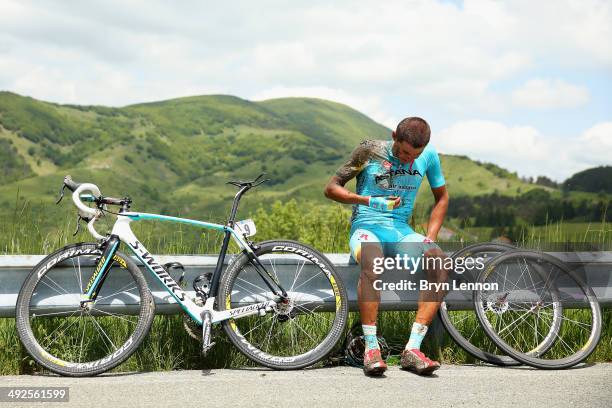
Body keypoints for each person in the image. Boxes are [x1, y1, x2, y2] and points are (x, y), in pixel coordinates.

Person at [324, 117, 449, 376]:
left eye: (415, 155)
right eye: (403, 152)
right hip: (367, 228)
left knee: (438, 261)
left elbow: (442, 198)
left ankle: (412, 351)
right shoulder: (368, 150)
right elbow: (331, 189)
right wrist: (369, 200)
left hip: (402, 232)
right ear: (394, 136)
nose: (407, 160)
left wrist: (430, 236)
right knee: (373, 261)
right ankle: (372, 350)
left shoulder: (430, 156)